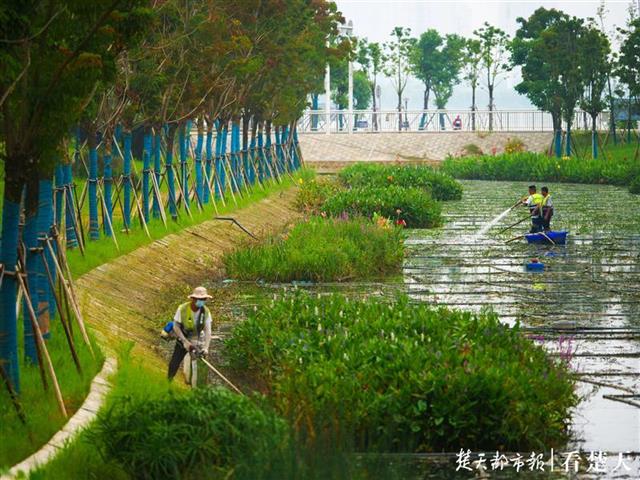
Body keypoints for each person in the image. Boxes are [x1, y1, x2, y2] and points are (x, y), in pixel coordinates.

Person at [167, 286, 213, 387]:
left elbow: (208, 331)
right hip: (182, 336)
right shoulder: (182, 308)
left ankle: (197, 387)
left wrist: (206, 348)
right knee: (174, 363)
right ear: (193, 298)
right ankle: (168, 382)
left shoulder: (205, 312)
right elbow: (176, 326)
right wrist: (185, 341)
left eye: (203, 299)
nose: (201, 301)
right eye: (199, 299)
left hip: (197, 339)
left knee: (199, 364)